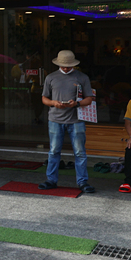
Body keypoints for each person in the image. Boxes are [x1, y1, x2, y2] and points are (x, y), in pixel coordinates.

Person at [39, 50, 95, 193]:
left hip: (76, 119)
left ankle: (82, 182)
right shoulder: (51, 77)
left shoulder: (82, 77)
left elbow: (89, 98)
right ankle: (51, 180)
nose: (66, 68)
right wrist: (53, 103)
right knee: (54, 151)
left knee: (80, 152)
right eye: (63, 66)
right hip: (55, 119)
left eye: (69, 66)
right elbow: (44, 98)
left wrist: (76, 104)